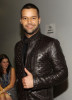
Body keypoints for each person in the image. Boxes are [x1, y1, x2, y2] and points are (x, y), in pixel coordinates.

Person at [15, 3, 68, 100]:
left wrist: (35, 82)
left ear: (39, 20)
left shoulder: (51, 43)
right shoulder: (18, 46)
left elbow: (63, 73)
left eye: (33, 18)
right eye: (25, 18)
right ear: (21, 21)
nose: (29, 22)